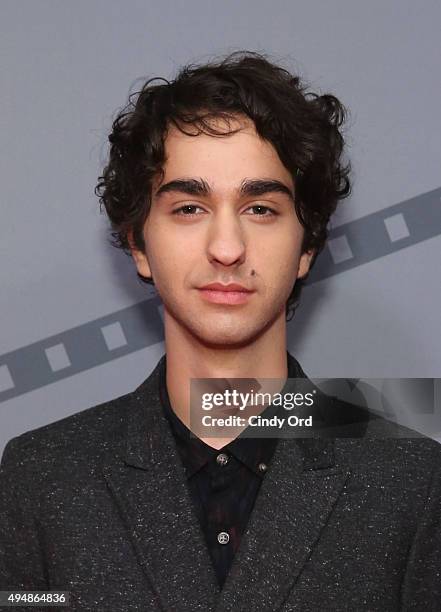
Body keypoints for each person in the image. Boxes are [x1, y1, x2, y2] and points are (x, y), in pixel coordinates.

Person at [1, 50, 440, 611]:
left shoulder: (412, 480)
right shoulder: (42, 477)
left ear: (307, 245)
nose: (227, 248)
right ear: (138, 243)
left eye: (260, 208)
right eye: (188, 208)